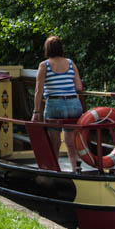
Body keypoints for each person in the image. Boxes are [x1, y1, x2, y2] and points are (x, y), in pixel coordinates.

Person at [31, 35, 85, 172]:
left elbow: (38, 91)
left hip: (55, 105)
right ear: (61, 48)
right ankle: (76, 170)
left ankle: (55, 172)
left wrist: (36, 112)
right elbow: (79, 87)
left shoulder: (44, 65)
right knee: (71, 142)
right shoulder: (71, 63)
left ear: (47, 49)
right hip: (74, 105)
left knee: (54, 143)